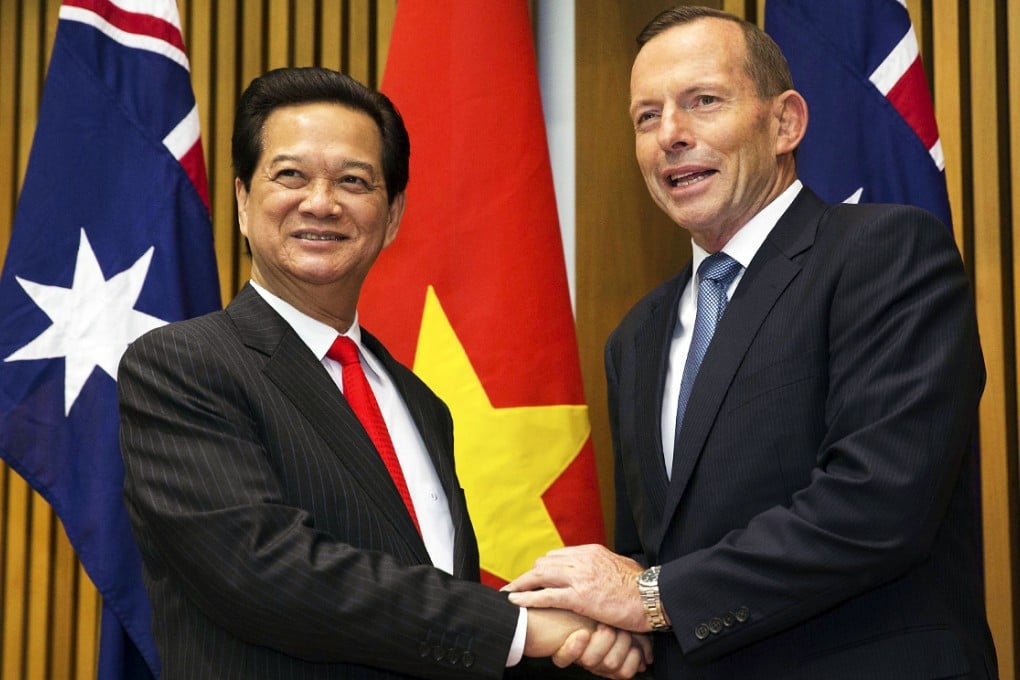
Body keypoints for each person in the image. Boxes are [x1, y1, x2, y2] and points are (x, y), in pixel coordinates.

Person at [505, 6, 998, 678]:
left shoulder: (885, 253)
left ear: (785, 123)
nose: (670, 135)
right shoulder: (636, 337)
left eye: (703, 102)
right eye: (647, 116)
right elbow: (650, 554)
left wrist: (649, 599)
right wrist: (621, 627)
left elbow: (879, 503)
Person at [118, 67, 649, 680]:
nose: (321, 201)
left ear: (392, 215)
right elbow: (263, 571)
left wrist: (581, 638)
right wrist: (525, 629)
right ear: (242, 200)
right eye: (290, 175)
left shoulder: (419, 401)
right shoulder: (184, 366)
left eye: (354, 181)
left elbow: (423, 604)